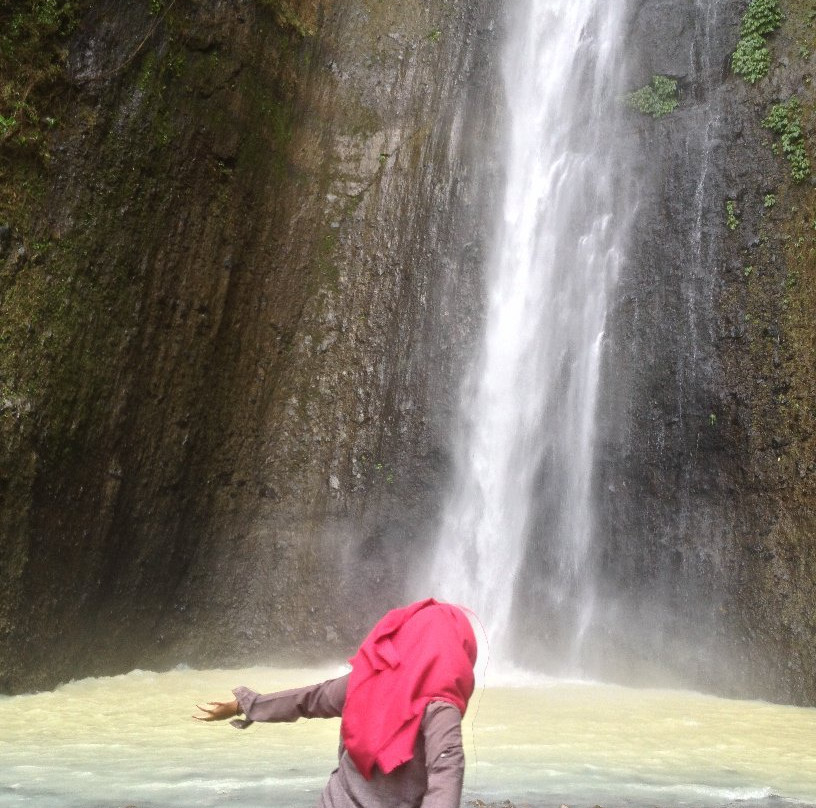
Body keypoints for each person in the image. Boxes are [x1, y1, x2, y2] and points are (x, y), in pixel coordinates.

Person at [194, 598, 478, 808]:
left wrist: (246, 704)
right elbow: (446, 771)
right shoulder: (441, 707)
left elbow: (309, 699)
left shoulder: (369, 680)